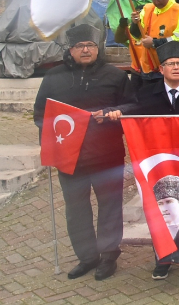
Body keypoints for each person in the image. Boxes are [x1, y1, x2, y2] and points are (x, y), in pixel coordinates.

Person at [33, 24, 132, 281]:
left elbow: (132, 106)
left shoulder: (116, 76)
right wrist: (51, 140)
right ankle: (87, 257)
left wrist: (115, 112)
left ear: (98, 48)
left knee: (110, 207)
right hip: (69, 157)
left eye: (90, 45)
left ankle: (108, 256)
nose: (85, 50)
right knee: (76, 209)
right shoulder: (53, 77)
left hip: (106, 155)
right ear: (70, 49)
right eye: (79, 46)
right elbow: (40, 114)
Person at [107, 41, 179, 279]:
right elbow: (133, 117)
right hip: (158, 160)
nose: (175, 67)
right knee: (159, 211)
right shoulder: (146, 94)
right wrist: (119, 113)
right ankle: (163, 258)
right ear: (161, 69)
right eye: (170, 64)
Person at [116, 0, 179, 87]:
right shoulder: (147, 9)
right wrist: (135, 23)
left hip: (169, 70)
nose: (156, 2)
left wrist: (154, 43)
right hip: (147, 69)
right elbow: (136, 36)